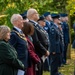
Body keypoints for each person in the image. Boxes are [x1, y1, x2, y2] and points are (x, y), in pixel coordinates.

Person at [27, 8, 50, 75]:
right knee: (38, 72)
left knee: (40, 71)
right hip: (38, 53)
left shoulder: (36, 25)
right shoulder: (31, 25)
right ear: (33, 15)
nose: (38, 15)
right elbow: (36, 41)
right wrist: (44, 51)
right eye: (37, 13)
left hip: (41, 54)